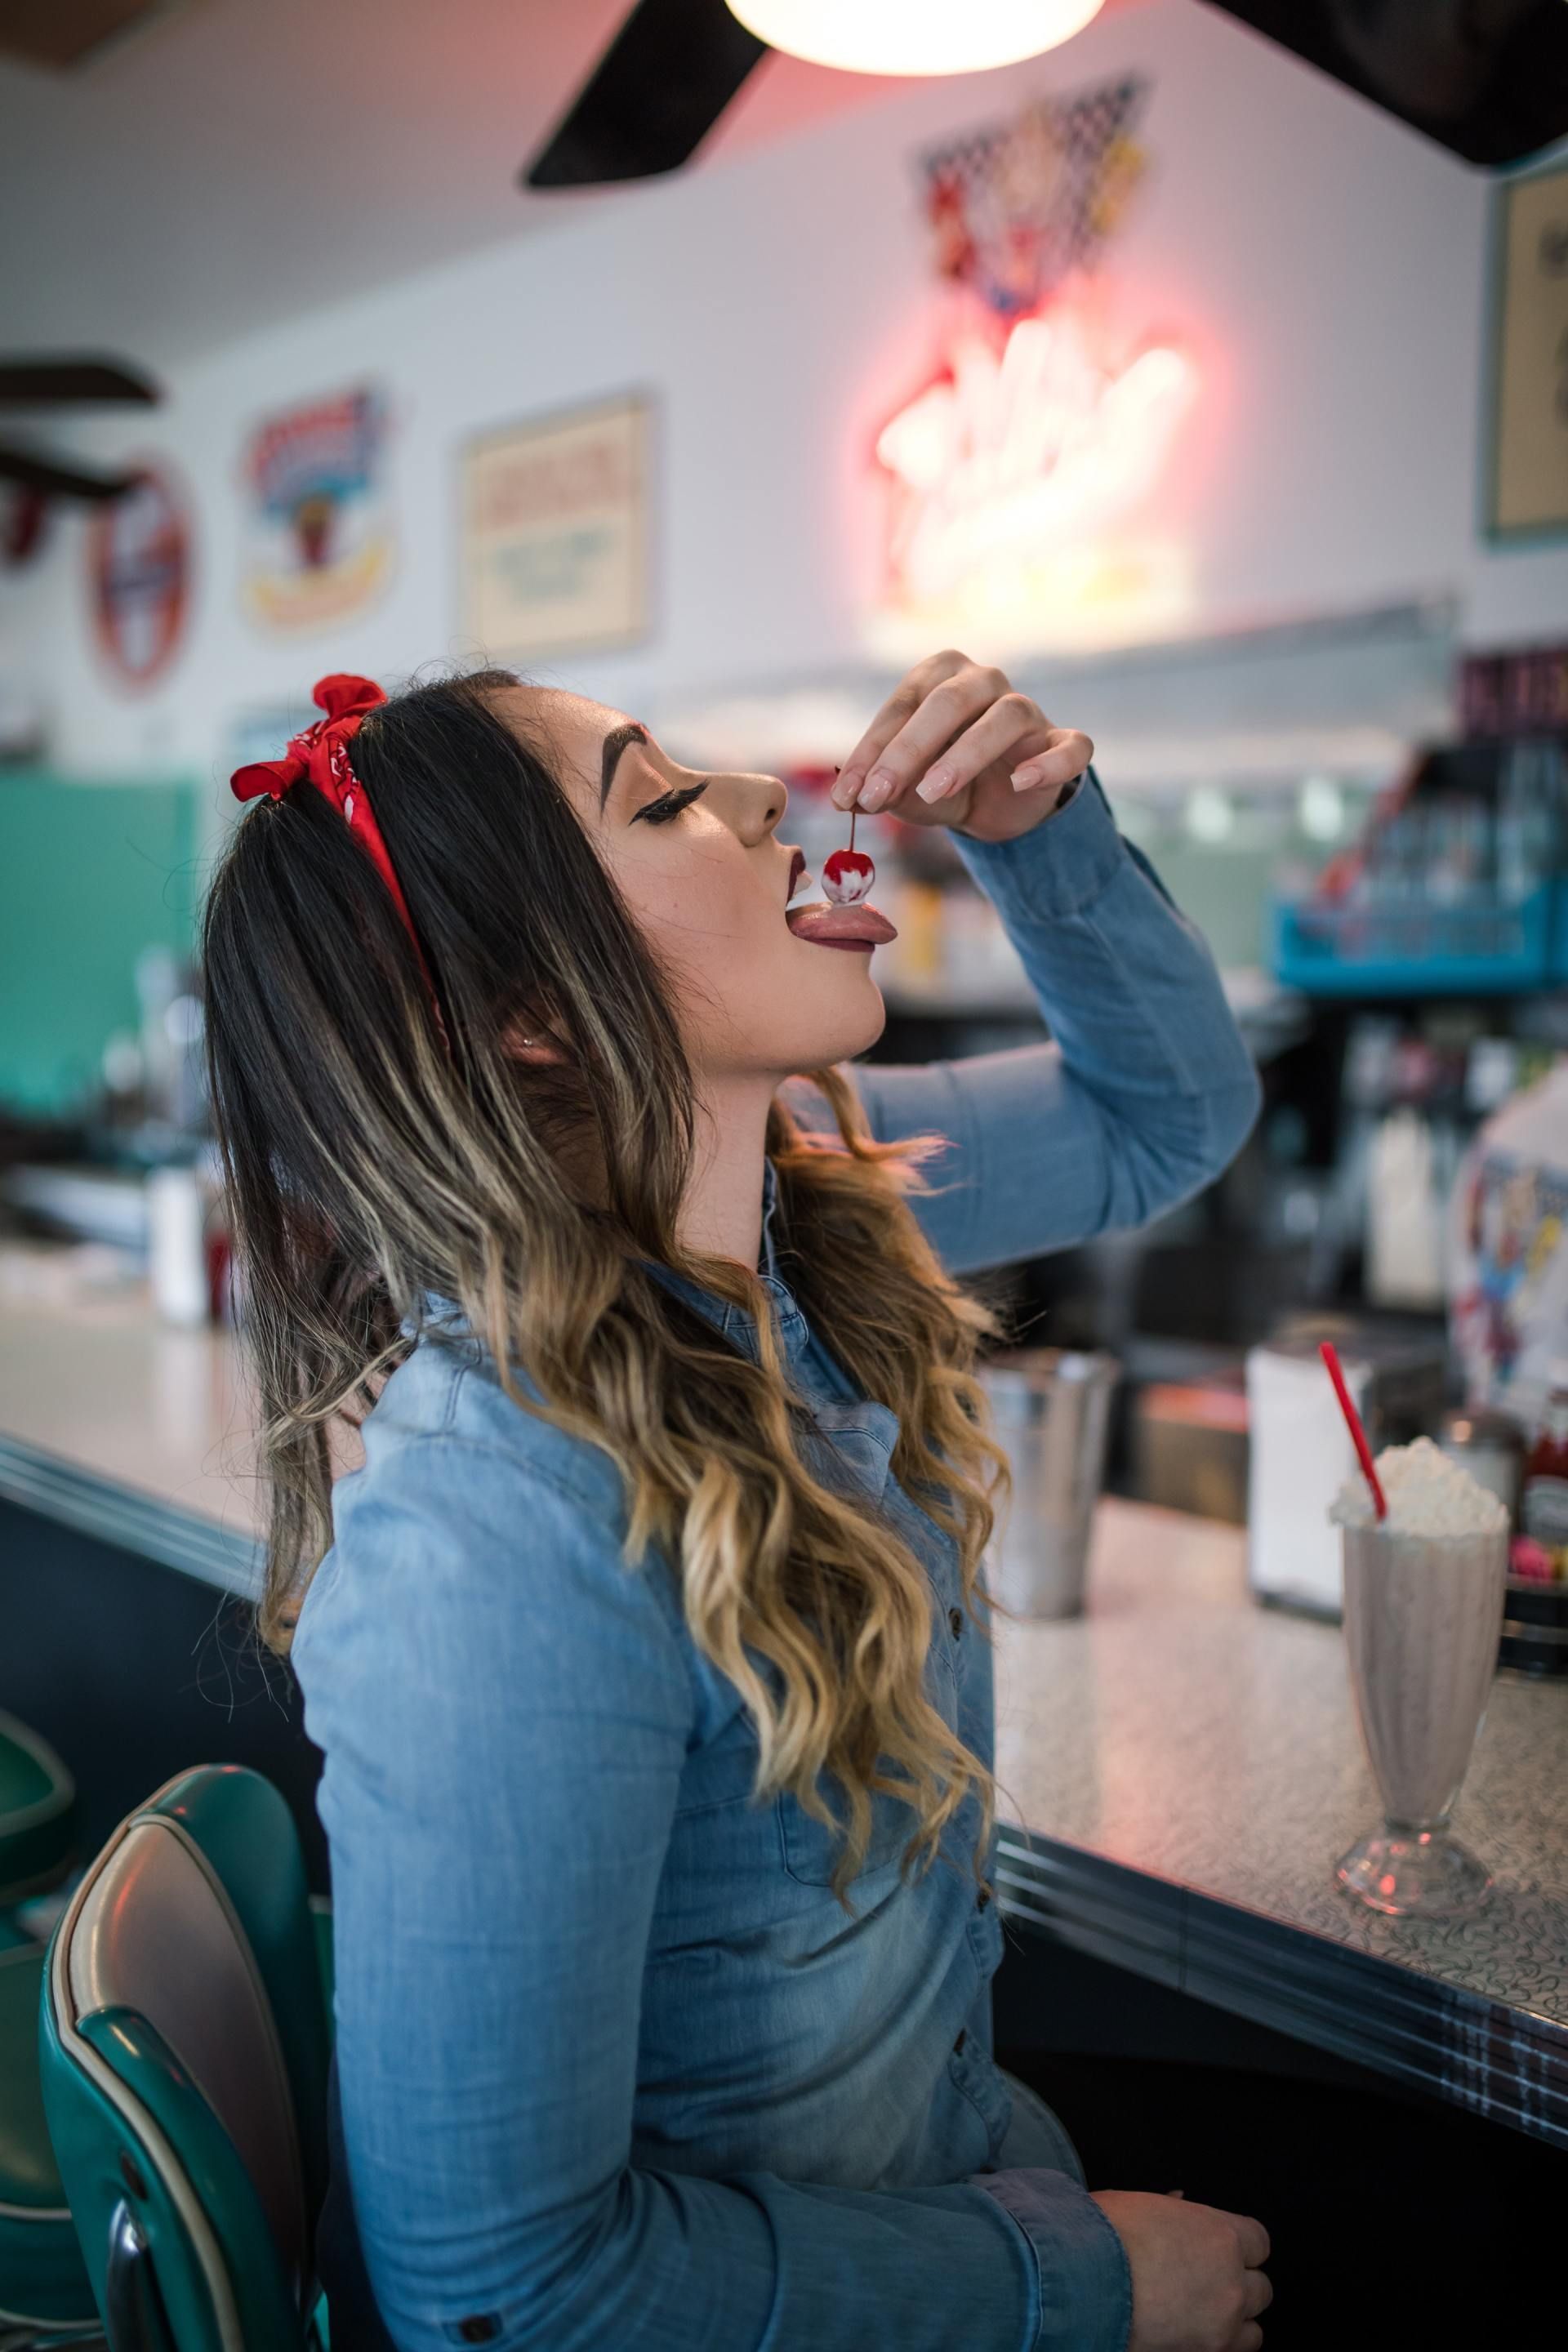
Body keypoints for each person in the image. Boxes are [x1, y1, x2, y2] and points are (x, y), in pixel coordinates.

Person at [203, 651, 1265, 2352]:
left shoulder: (797, 1209)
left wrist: (1042, 835)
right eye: (668, 796)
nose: (764, 796)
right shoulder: (499, 1527)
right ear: (535, 1010)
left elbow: (1166, 1116)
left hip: (965, 2161)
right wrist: (1078, 2290)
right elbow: (505, 2299)